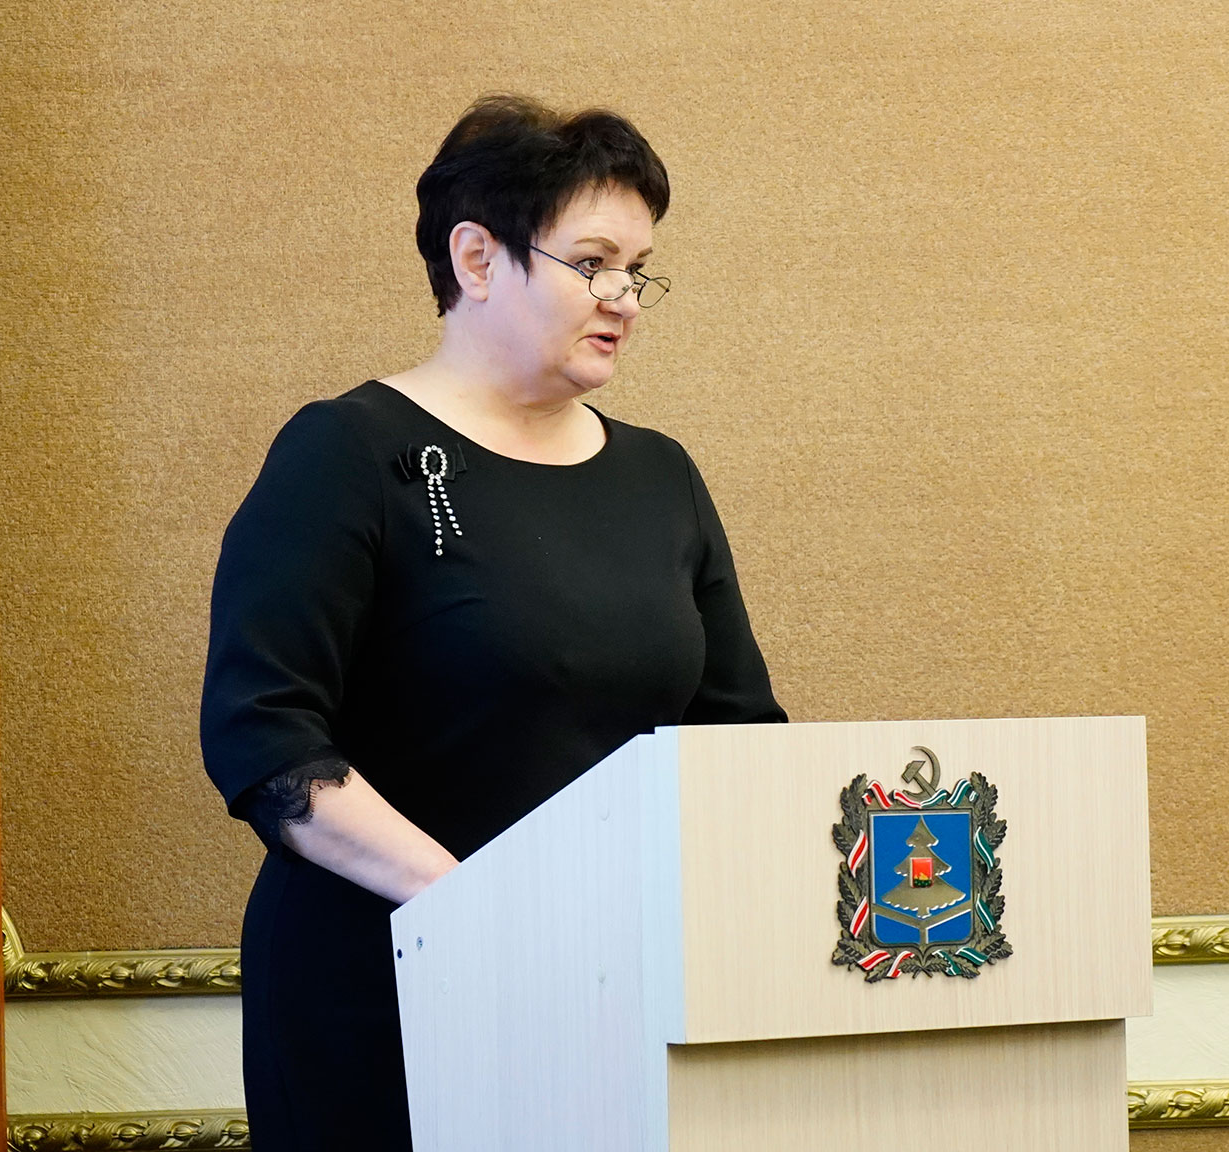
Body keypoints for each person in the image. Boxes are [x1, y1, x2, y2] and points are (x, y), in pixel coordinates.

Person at [198, 95, 786, 1150]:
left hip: (612, 996)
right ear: (476, 258)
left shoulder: (661, 476)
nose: (625, 299)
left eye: (638, 269)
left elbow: (738, 737)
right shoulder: (345, 452)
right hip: (380, 993)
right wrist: (481, 910)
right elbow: (263, 735)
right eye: (592, 263)